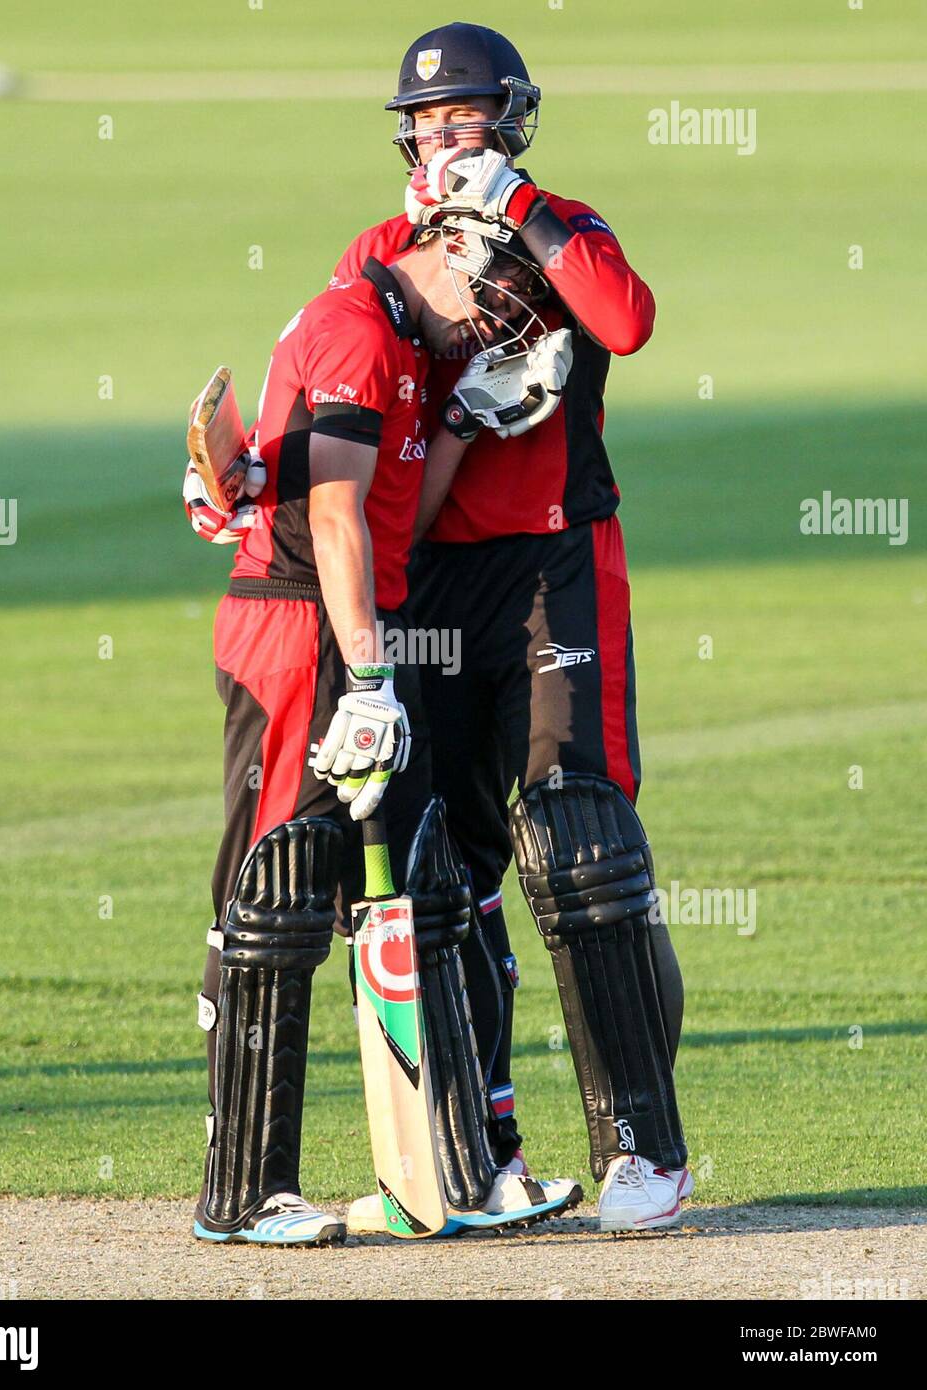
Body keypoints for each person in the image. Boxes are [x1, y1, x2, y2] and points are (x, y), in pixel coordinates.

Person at [329, 22, 691, 1233]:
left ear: (510, 121)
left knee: (578, 842)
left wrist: (516, 204)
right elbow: (340, 398)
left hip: (552, 559)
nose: (442, 138)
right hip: (429, 583)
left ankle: (643, 1143)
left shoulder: (567, 223)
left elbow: (626, 321)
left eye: (465, 119)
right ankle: (473, 1149)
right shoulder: (382, 251)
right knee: (442, 861)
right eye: (427, 123)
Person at [186, 215, 581, 1246]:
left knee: (423, 884)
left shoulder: (411, 350)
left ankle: (455, 1171)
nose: (496, 318)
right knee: (276, 893)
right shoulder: (357, 330)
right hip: (300, 629)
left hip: (360, 628)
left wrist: (459, 422)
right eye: (492, 291)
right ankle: (240, 1193)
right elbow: (332, 518)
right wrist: (367, 673)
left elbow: (396, 522)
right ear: (446, 250)